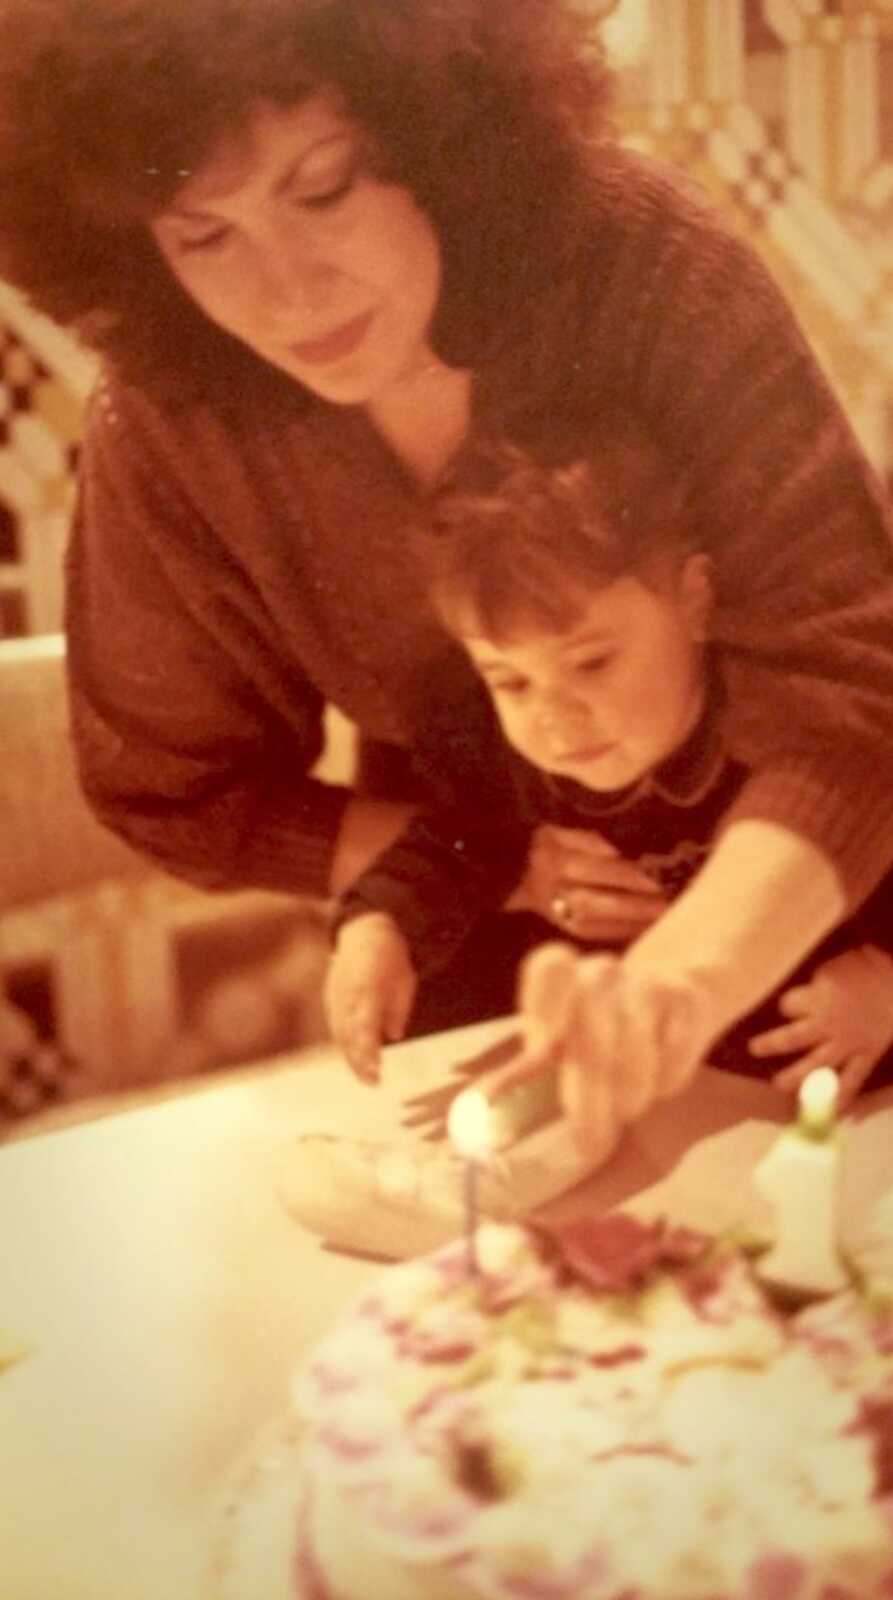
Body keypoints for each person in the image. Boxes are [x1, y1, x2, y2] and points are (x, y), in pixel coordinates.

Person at [0, 0, 891, 1096]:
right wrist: (487, 867)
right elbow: (170, 787)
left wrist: (676, 983)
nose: (287, 292)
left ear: (440, 126)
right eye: (203, 235)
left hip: (798, 930)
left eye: (322, 188)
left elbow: (848, 688)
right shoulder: (171, 419)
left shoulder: (642, 260)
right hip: (480, 964)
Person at [325, 423, 893, 1153]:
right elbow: (454, 848)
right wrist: (377, 928)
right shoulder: (510, 760)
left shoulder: (787, 729)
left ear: (694, 599)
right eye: (510, 680)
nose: (554, 718)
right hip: (694, 1115)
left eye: (591, 664)